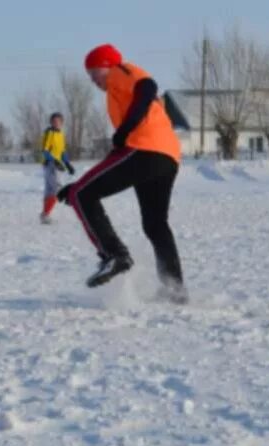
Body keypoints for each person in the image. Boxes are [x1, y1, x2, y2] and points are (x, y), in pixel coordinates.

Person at [58, 44, 186, 302]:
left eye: (95, 73)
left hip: (145, 149)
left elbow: (148, 87)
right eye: (90, 75)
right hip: (166, 155)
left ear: (108, 64)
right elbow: (117, 155)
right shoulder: (117, 87)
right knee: (155, 224)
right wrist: (79, 183)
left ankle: (114, 255)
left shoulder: (121, 71)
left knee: (83, 195)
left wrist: (126, 127)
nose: (93, 80)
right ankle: (174, 288)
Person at [39, 112, 75, 224]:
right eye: (54, 121)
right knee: (57, 190)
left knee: (50, 190)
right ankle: (45, 214)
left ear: (62, 123)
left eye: (58, 121)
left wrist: (68, 164)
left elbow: (62, 151)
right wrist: (54, 161)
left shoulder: (61, 134)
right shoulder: (49, 133)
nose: (56, 123)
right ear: (51, 122)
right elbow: (45, 151)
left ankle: (45, 214)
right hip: (50, 164)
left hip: (57, 165)